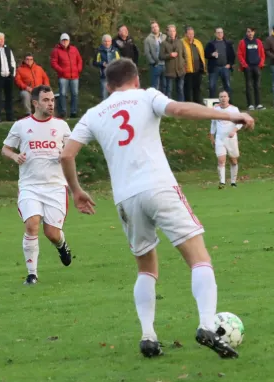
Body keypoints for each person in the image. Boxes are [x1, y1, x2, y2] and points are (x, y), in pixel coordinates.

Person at [59, 58, 254, 359]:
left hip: (125, 198)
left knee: (146, 268)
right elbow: (179, 109)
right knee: (199, 258)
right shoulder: (147, 95)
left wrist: (77, 190)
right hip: (159, 186)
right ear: (135, 79)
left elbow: (67, 154)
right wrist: (229, 114)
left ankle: (148, 335)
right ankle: (205, 324)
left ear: (108, 86)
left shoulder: (94, 114)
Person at [1, 85, 74, 285]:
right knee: (32, 225)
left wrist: (64, 155)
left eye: (52, 100)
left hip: (55, 186)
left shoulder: (61, 126)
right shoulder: (21, 125)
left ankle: (61, 245)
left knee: (51, 233)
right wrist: (15, 155)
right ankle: (32, 274)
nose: (50, 104)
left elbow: (71, 151)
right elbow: (5, 149)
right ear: (35, 103)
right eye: (46, 100)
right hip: (29, 186)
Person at [210, 91, 242, 189]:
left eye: (225, 96)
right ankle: (222, 182)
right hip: (219, 138)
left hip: (231, 138)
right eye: (221, 97)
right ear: (218, 99)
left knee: (233, 160)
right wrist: (211, 136)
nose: (223, 98)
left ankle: (233, 182)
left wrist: (234, 130)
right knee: (221, 160)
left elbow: (240, 122)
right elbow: (213, 124)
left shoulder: (234, 109)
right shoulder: (215, 109)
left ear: (228, 98)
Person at [50, 33, 83, 118]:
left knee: (75, 94)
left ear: (69, 41)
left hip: (75, 75)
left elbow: (79, 60)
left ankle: (73, 112)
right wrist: (61, 71)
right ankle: (63, 112)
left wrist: (78, 69)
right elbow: (54, 63)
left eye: (66, 40)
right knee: (63, 94)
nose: (64, 42)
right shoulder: (56, 50)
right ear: (60, 41)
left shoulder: (74, 49)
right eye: (63, 40)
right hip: (63, 76)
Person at [237, 27, 265, 111]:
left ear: (254, 32)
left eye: (252, 32)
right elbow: (240, 54)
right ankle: (250, 104)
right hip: (247, 66)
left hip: (257, 66)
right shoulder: (242, 42)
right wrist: (244, 65)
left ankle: (258, 104)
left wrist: (261, 63)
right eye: (248, 32)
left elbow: (262, 53)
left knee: (257, 85)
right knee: (248, 85)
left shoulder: (258, 42)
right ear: (246, 33)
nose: (250, 33)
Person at [204, 27, 235, 99]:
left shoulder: (227, 43)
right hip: (214, 68)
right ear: (215, 34)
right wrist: (212, 54)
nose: (220, 34)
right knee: (212, 86)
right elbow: (205, 54)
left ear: (223, 33)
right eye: (218, 33)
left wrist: (230, 64)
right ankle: (212, 104)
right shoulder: (210, 44)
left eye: (221, 32)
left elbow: (232, 55)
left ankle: (229, 104)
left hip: (225, 67)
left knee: (227, 86)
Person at [94, 34, 121, 100]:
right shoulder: (99, 51)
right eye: (105, 41)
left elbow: (119, 62)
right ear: (102, 42)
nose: (107, 43)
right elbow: (95, 62)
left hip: (114, 76)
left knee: (115, 95)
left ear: (111, 42)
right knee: (104, 94)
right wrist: (102, 63)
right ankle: (105, 109)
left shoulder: (115, 50)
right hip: (104, 75)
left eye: (108, 41)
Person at [144, 21, 167, 90]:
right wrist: (153, 62)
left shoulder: (164, 37)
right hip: (155, 65)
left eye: (156, 26)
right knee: (155, 86)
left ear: (158, 27)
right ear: (151, 29)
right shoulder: (147, 39)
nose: (155, 28)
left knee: (165, 85)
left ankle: (164, 100)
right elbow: (147, 52)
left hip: (165, 64)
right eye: (153, 27)